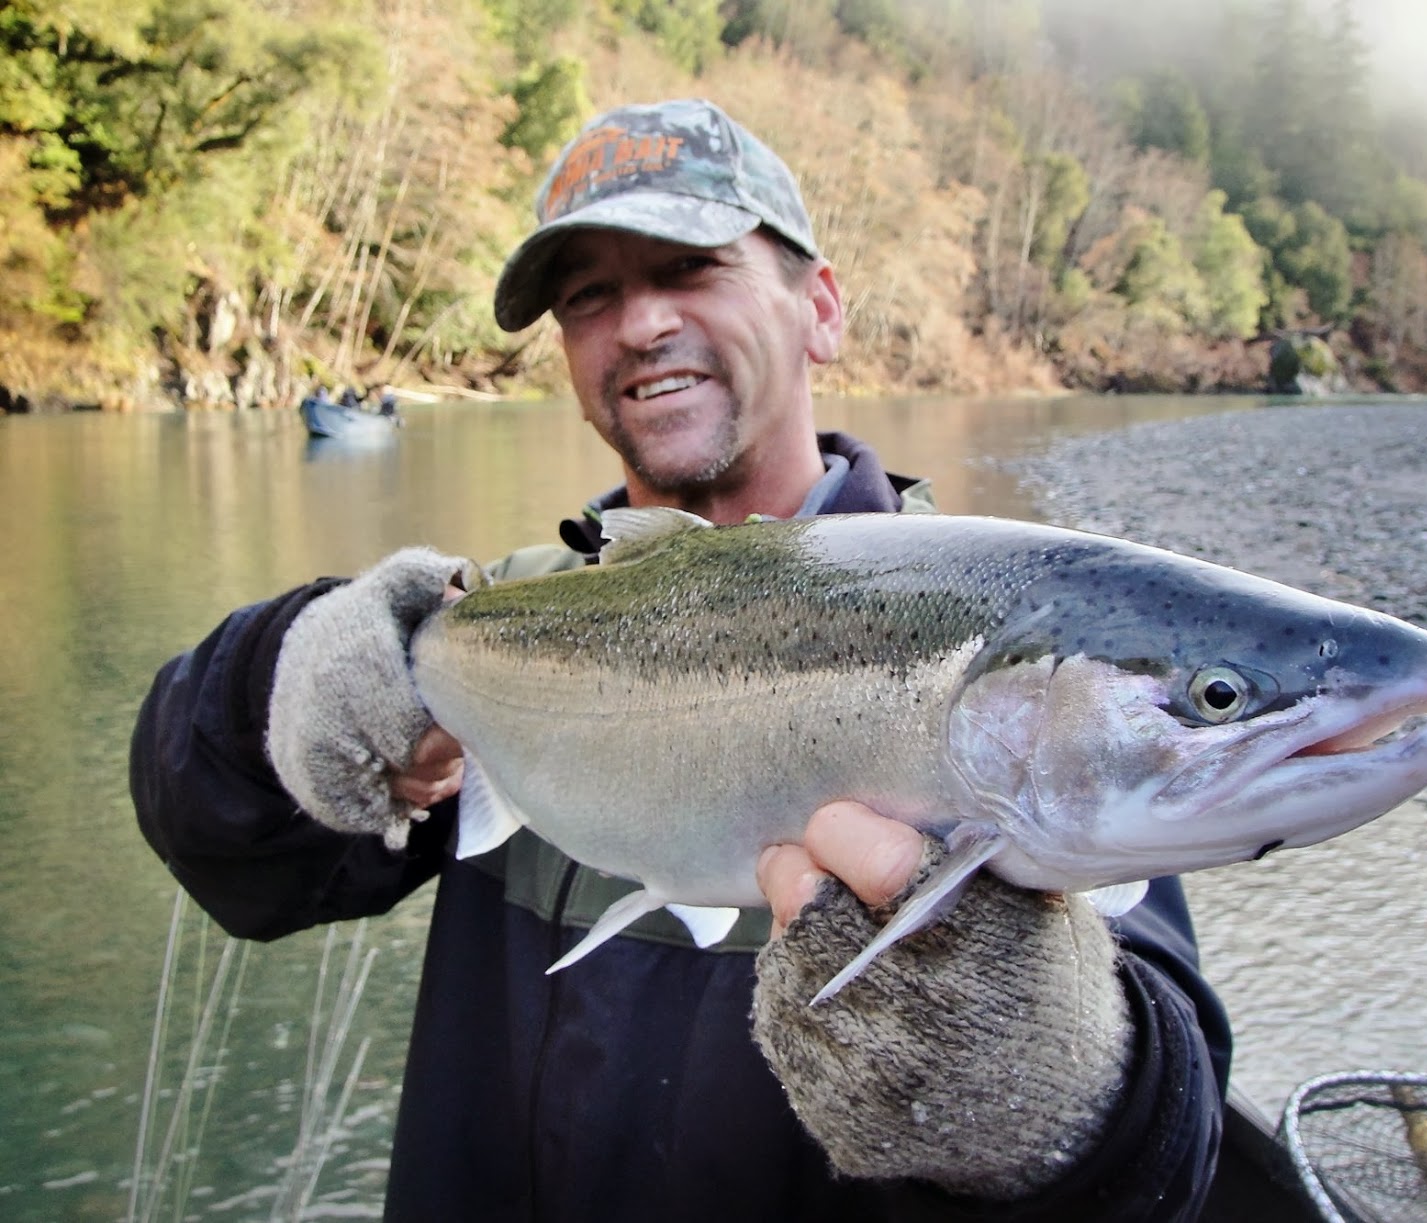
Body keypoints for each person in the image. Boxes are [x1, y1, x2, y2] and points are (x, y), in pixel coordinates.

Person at [130, 98, 1230, 1221]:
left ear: (822, 307)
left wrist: (1048, 1091)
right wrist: (282, 670)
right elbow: (237, 860)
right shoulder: (494, 626)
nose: (639, 323)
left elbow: (1167, 1149)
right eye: (587, 296)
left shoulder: (1010, 657)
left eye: (692, 267)